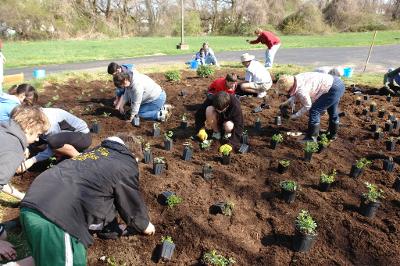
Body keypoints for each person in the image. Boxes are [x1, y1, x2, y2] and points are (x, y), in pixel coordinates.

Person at [19, 136, 155, 266]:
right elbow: (129, 200)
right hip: (57, 219)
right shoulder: (125, 163)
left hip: (33, 202)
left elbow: (100, 196)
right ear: (133, 154)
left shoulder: (96, 153)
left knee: (49, 256)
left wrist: (111, 229)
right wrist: (144, 225)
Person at [277, 72, 345, 141]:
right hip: (337, 83)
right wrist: (287, 102)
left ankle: (312, 137)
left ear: (290, 87)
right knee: (332, 110)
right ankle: (332, 134)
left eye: (286, 90)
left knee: (314, 110)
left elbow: (307, 105)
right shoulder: (296, 79)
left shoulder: (301, 90)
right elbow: (296, 92)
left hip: (331, 88)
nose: (286, 92)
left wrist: (295, 115)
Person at [0, 105, 50, 200]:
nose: (37, 139)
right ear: (28, 127)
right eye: (38, 134)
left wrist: (22, 197)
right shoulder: (13, 151)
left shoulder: (3, 128)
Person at [20, 107, 92, 172]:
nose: (37, 139)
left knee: (53, 143)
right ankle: (62, 153)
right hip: (63, 135)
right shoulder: (35, 116)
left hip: (82, 136)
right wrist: (26, 147)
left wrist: (32, 160)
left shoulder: (50, 125)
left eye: (39, 134)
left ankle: (81, 159)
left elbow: (53, 146)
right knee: (36, 141)